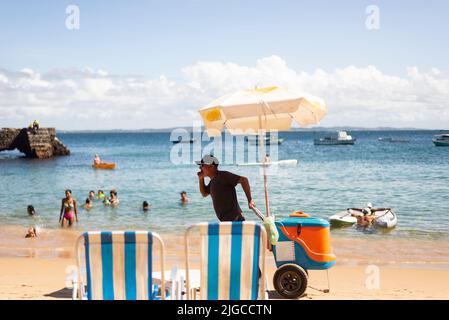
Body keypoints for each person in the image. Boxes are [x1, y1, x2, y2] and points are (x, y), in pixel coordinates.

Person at [196, 155, 256, 222]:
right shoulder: (212, 181)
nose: (200, 168)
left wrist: (250, 200)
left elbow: (244, 180)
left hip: (235, 219)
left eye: (202, 166)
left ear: (211, 166)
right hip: (226, 221)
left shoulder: (223, 176)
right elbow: (204, 193)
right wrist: (201, 179)